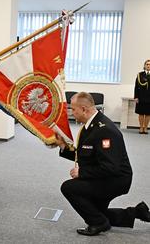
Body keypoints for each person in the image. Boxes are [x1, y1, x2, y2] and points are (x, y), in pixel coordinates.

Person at [55, 92, 150, 236]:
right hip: (106, 175)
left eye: (73, 109)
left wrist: (82, 173)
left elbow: (111, 167)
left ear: (84, 109)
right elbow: (84, 154)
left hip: (116, 179)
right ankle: (136, 212)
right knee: (97, 212)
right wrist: (63, 146)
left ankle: (98, 223)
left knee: (69, 187)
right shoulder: (91, 125)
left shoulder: (104, 130)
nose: (71, 112)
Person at [134, 59, 150, 134]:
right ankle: (141, 127)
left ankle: (146, 128)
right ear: (144, 66)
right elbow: (136, 86)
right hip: (141, 97)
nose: (148, 66)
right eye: (147, 64)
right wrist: (136, 97)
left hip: (149, 98)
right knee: (141, 113)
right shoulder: (140, 75)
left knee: (147, 114)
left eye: (149, 64)